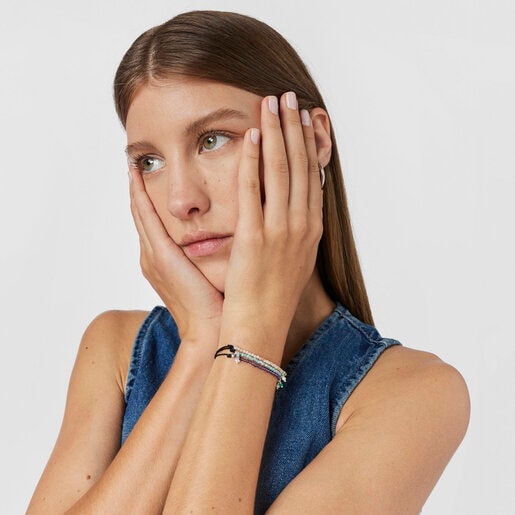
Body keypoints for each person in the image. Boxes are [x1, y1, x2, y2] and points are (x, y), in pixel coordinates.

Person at [27, 10, 470, 514]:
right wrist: (201, 344)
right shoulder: (114, 350)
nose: (180, 200)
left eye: (212, 140)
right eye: (149, 161)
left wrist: (247, 334)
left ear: (314, 140)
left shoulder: (414, 394)